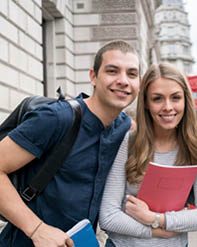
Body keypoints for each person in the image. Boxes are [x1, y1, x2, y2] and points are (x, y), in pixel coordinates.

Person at [0, 40, 141, 246]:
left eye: (132, 74)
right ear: (93, 76)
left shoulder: (126, 128)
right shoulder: (56, 118)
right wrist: (37, 230)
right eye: (112, 71)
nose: (123, 81)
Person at [99, 63, 197, 247]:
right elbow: (108, 216)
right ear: (145, 102)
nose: (168, 107)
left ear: (186, 100)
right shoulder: (128, 143)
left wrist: (154, 218)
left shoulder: (196, 147)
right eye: (157, 99)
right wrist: (154, 230)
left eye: (175, 98)